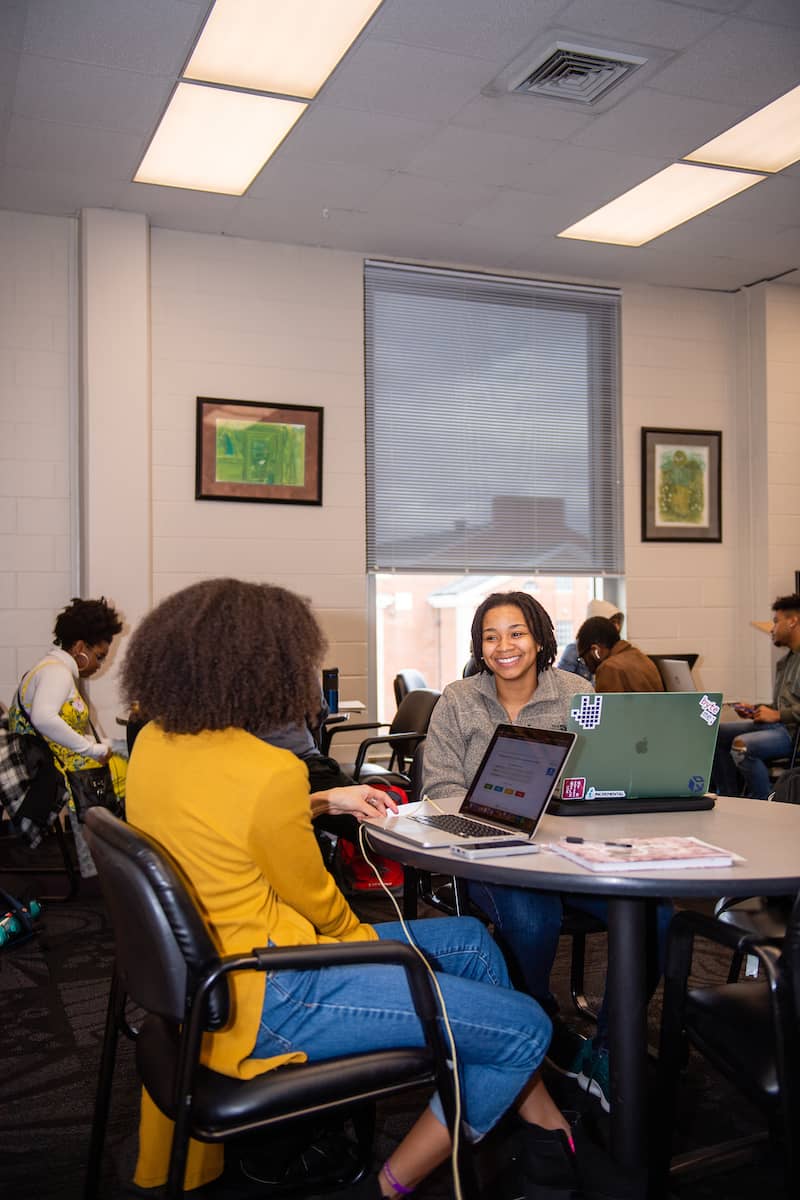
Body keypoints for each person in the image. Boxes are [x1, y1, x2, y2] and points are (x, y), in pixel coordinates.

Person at [120, 578, 577, 1199]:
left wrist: (319, 799)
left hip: (206, 977)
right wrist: (377, 953)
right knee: (527, 1027)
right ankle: (388, 1186)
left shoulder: (155, 743)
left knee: (471, 939)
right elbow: (325, 911)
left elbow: (222, 816)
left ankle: (534, 1115)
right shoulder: (268, 771)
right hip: (278, 993)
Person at [423, 591, 672, 1114]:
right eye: (491, 636)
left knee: (655, 912)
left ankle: (607, 1051)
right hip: (491, 853)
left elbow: (604, 776)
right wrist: (490, 808)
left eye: (516, 633)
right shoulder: (458, 699)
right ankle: (537, 1025)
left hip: (568, 852)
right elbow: (440, 787)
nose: (504, 646)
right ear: (479, 647)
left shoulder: (578, 693)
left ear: (539, 639)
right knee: (531, 917)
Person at [8, 596, 126, 877]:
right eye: (99, 656)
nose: (100, 665)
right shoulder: (57, 673)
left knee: (123, 756)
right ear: (79, 648)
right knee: (134, 771)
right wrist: (90, 749)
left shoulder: (49, 667)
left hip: (57, 764)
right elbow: (44, 718)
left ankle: (111, 864)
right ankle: (120, 864)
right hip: (64, 773)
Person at [712, 593, 800, 799]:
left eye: (776, 621)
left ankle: (768, 803)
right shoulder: (787, 661)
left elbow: (782, 712)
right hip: (779, 726)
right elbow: (781, 705)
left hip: (793, 732)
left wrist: (778, 715)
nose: (772, 628)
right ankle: (728, 797)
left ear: (793, 621)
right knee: (715, 733)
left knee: (742, 746)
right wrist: (758, 710)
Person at [575, 616, 664, 693]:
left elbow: (607, 707)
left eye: (583, 658)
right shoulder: (641, 657)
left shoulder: (608, 668)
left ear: (595, 650)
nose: (585, 664)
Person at [558, 600, 623, 681]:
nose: (617, 627)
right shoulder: (573, 650)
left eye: (618, 622)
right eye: (612, 622)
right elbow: (561, 681)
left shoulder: (617, 649)